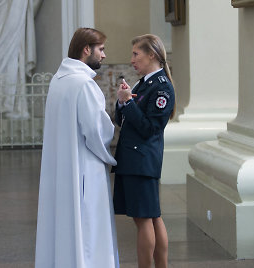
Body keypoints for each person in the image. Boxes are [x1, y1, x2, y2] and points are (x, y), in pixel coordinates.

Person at [35, 28, 119, 268]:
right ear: (86, 49)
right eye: (100, 49)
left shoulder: (58, 80)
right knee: (88, 226)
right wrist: (110, 150)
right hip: (84, 167)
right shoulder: (84, 85)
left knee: (64, 224)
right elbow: (96, 132)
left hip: (62, 167)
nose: (103, 55)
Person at [112, 34, 175, 268]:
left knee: (144, 220)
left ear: (152, 55)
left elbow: (150, 128)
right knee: (152, 216)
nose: (132, 60)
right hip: (135, 159)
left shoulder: (162, 88)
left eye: (136, 54)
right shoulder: (144, 83)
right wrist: (122, 102)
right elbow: (124, 121)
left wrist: (128, 103)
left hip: (142, 161)